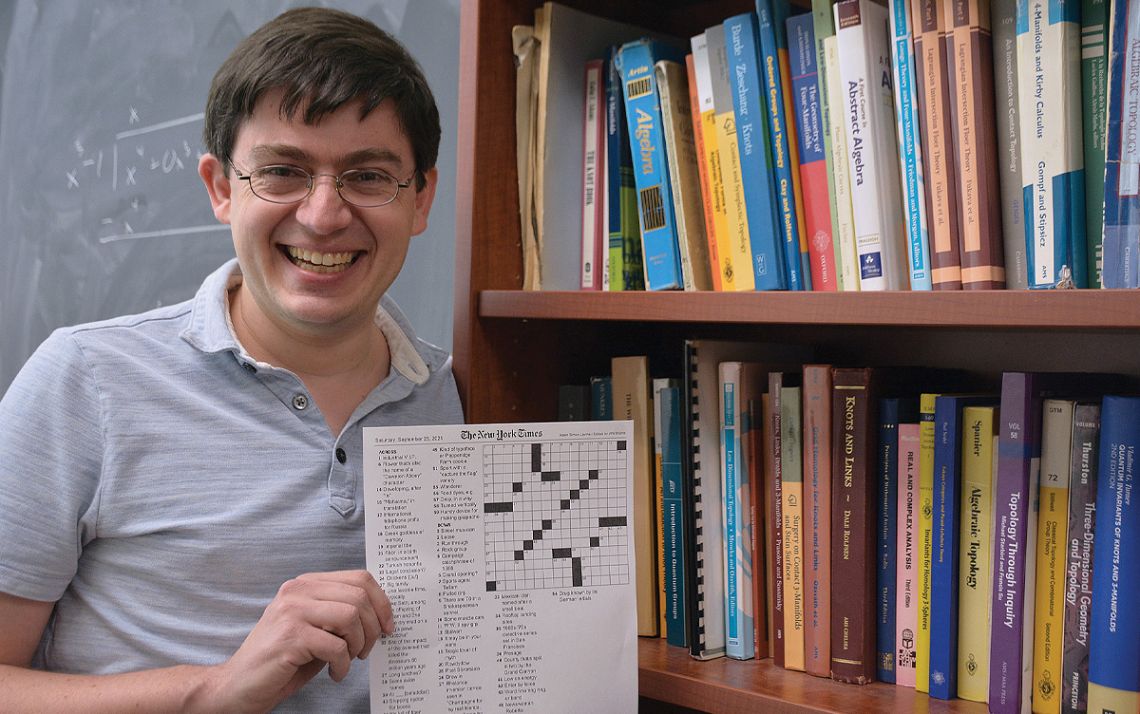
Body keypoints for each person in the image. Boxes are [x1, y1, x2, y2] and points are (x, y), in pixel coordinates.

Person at [0, 8, 463, 712]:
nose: (324, 215)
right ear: (221, 188)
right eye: (282, 172)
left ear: (422, 198)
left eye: (368, 177)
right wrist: (213, 691)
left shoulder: (459, 397)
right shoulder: (85, 381)